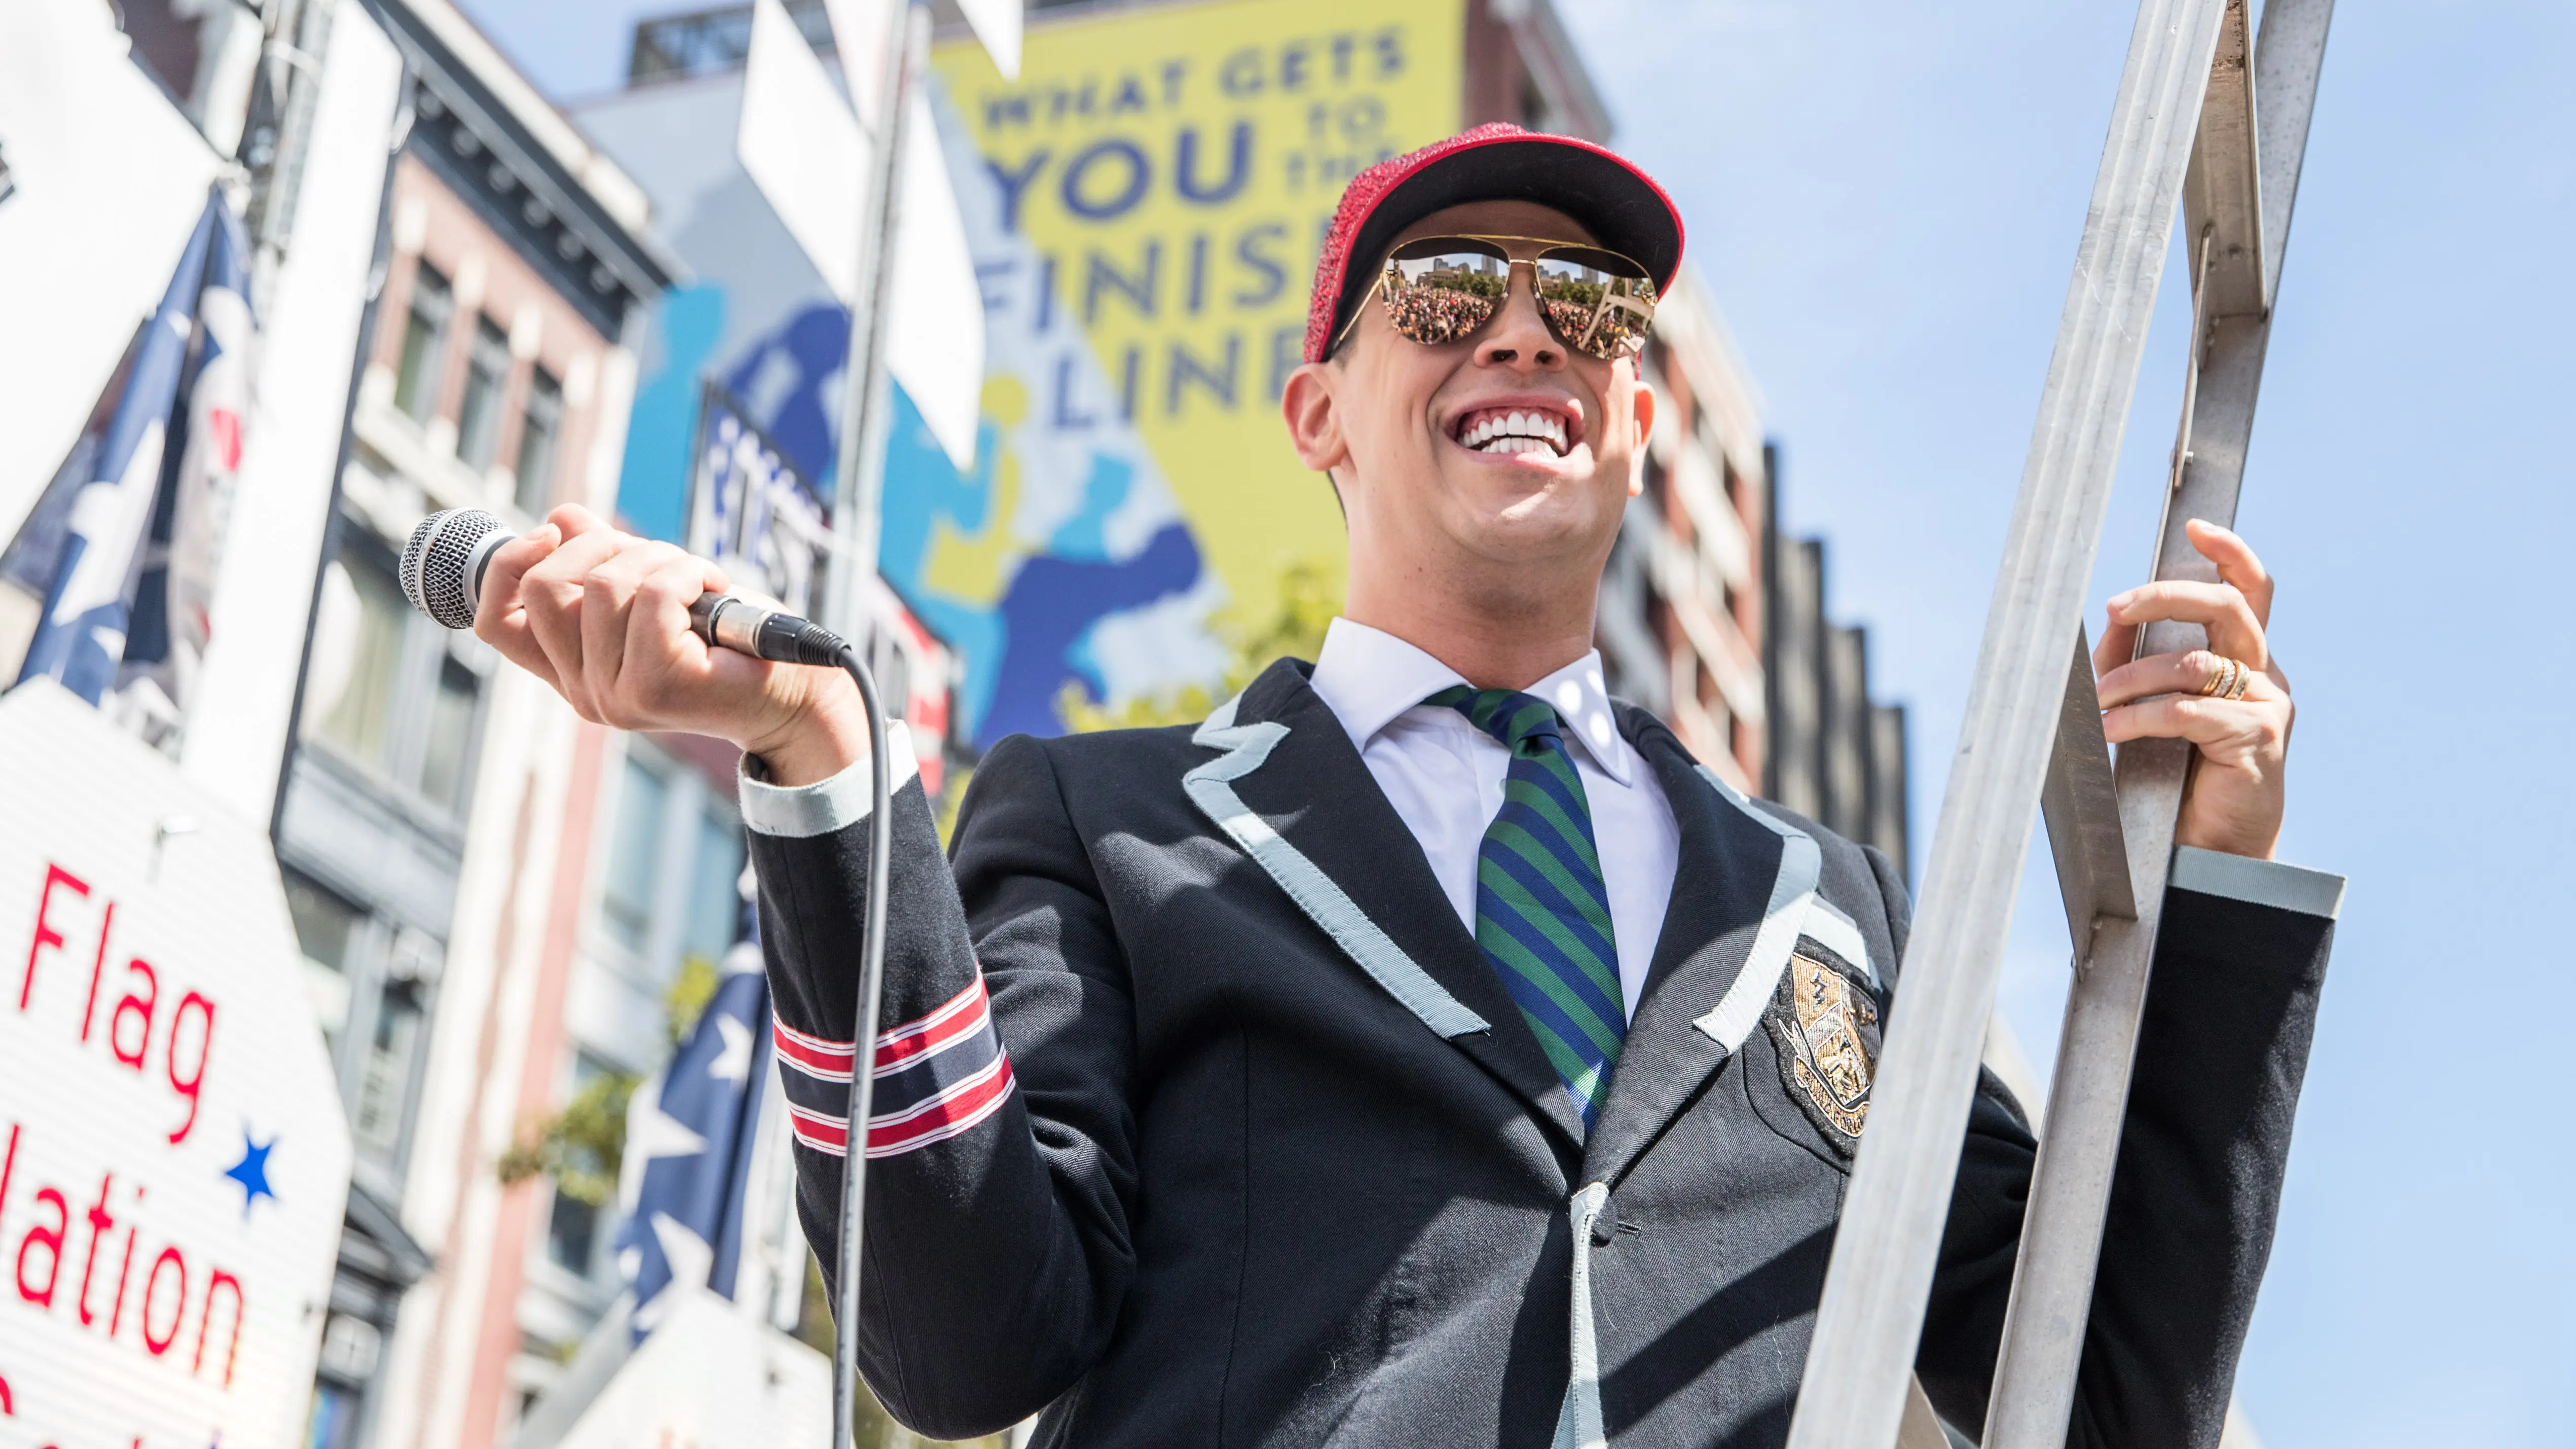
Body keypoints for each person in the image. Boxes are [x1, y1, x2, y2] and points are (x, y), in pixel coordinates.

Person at [474, 125, 2333, 1448]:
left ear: (1636, 418)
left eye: (1592, 309)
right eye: (1446, 291)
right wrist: (823, 780)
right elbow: (965, 1343)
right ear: (1321, 413)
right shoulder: (1109, 824)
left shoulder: (1822, 901)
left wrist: (2212, 899)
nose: (1525, 333)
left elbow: (2101, 1397)